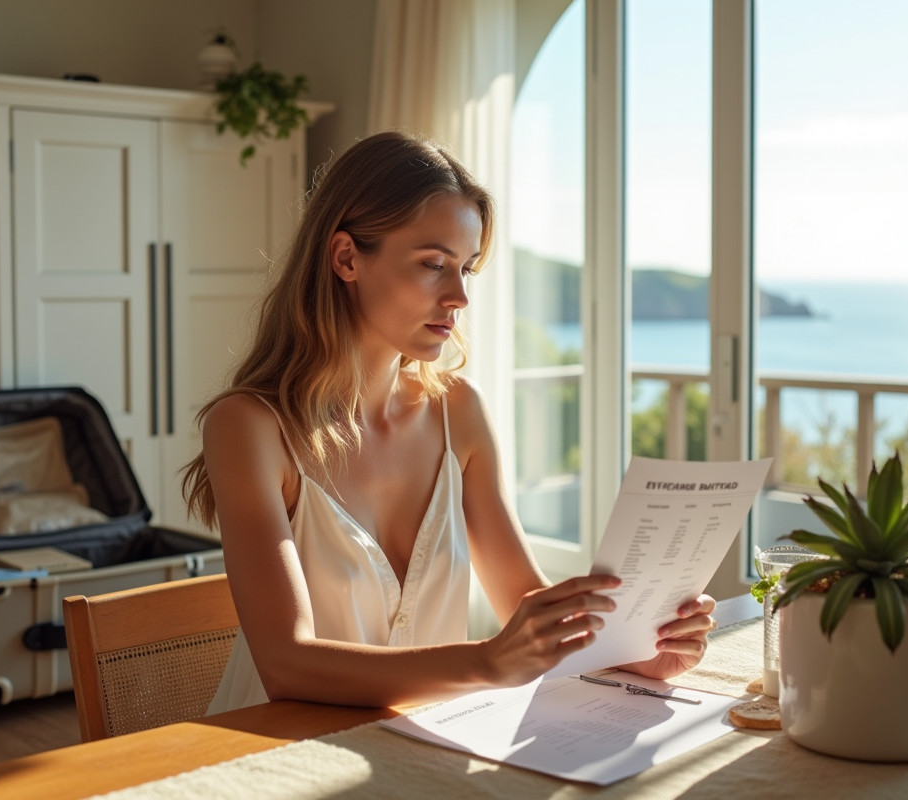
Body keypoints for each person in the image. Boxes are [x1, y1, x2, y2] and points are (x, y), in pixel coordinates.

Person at [184, 131, 716, 714]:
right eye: (433, 264)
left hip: (419, 744)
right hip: (276, 751)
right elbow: (286, 664)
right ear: (346, 258)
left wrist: (637, 649)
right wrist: (486, 662)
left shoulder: (458, 411)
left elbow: (523, 599)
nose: (459, 295)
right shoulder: (249, 428)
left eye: (466, 269)